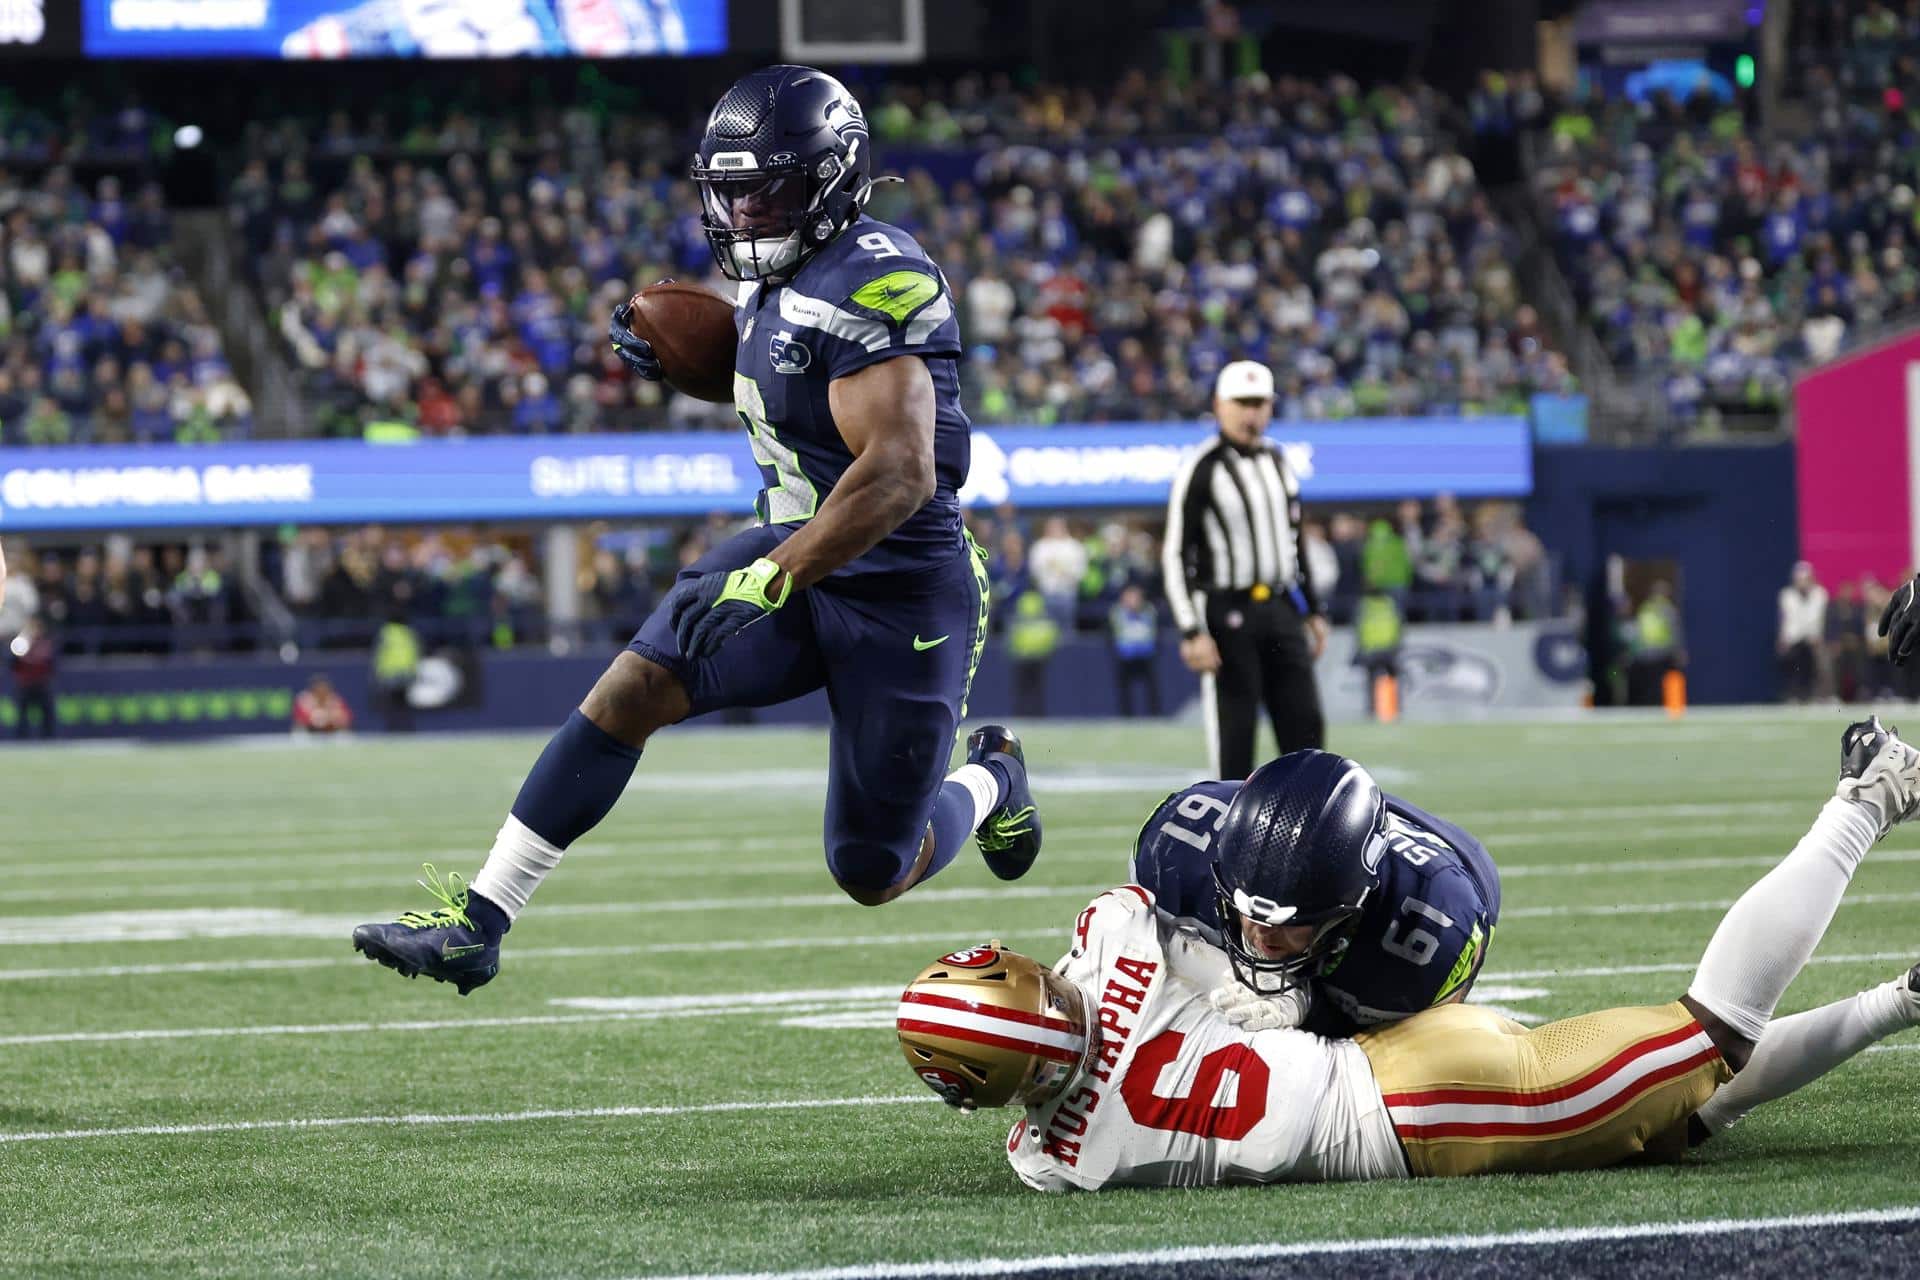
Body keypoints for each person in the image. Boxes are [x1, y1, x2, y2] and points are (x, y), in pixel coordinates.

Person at [352, 66, 1041, 996]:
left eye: (769, 189)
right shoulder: (779, 273)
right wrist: (695, 367)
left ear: (833, 178)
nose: (749, 212)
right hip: (792, 554)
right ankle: (481, 919)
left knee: (874, 869)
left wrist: (780, 574)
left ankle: (995, 777)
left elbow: (898, 472)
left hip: (898, 591)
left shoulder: (881, 276)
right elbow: (795, 383)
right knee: (633, 685)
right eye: (733, 192)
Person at [897, 717, 1920, 1189]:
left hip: (1403, 1106)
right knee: (1689, 1104)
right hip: (1404, 1086)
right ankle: (1903, 995)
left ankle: (1868, 796)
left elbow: (1045, 1116)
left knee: (1709, 1043)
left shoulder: (1063, 1157)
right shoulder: (1109, 931)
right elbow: (1127, 933)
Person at [1128, 751, 1499, 1036]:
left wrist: (1309, 1009)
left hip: (1457, 858)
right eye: (1249, 913)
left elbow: (1407, 1058)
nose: (1262, 933)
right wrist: (1209, 966)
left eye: (1294, 922)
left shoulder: (1435, 925)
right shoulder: (1175, 845)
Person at [1162, 361, 1328, 779]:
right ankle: (1228, 840)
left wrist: (1313, 609)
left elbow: (1294, 541)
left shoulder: (1278, 459)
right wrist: (1190, 630)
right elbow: (1176, 552)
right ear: (1219, 405)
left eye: (1259, 403)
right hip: (1228, 613)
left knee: (1306, 731)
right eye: (1242, 403)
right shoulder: (1202, 466)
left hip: (1280, 607)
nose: (1251, 413)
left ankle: (1308, 835)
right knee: (1235, 738)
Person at [1777, 560, 1828, 703]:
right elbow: (1785, 619)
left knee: (1813, 667)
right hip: (1793, 638)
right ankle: (1793, 695)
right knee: (1792, 667)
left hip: (1813, 638)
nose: (1802, 582)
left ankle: (1813, 695)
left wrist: (1818, 636)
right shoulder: (1787, 595)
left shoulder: (1820, 594)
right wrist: (1783, 638)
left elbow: (1820, 618)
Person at [1108, 583, 1160, 718]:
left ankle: (1154, 715)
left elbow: (1153, 632)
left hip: (1145, 654)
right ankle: (1126, 716)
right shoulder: (1117, 612)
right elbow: (1112, 633)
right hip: (1125, 655)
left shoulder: (1149, 611)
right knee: (1124, 688)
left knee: (1151, 688)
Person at [8, 616, 56, 739]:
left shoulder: (45, 644)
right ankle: (21, 740)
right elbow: (12, 664)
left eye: (36, 627)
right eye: (31, 627)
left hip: (41, 684)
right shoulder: (20, 643)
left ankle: (48, 740)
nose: (34, 630)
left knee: (48, 714)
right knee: (22, 715)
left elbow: (52, 665)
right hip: (25, 684)